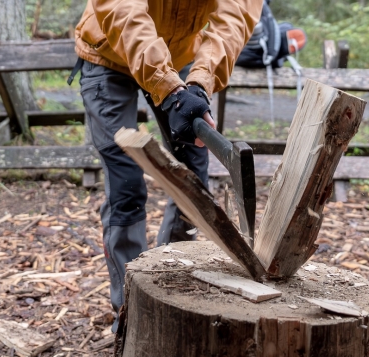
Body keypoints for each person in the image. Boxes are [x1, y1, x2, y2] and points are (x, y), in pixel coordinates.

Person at [73, 0, 263, 332]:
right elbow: (122, 10)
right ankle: (131, 310)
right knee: (126, 181)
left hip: (180, 60)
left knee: (192, 177)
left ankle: (171, 287)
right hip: (108, 51)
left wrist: (198, 84)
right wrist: (168, 87)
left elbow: (234, 18)